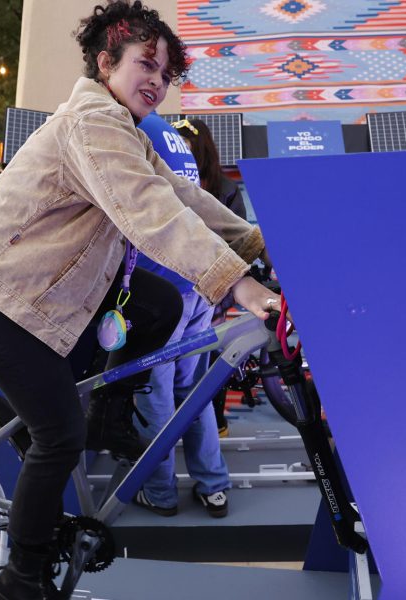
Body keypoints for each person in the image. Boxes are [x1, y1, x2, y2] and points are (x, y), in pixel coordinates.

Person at [0, 2, 278, 598]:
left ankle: (109, 412)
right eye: (146, 64)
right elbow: (150, 213)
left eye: (167, 74)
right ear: (105, 63)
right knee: (58, 437)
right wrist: (236, 281)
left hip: (54, 287)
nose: (158, 81)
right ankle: (19, 581)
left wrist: (255, 242)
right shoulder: (91, 123)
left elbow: (179, 194)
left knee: (159, 305)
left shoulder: (123, 128)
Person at [132, 113, 231, 518]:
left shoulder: (131, 127)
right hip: (195, 282)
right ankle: (213, 485)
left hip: (160, 289)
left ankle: (160, 492)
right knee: (192, 391)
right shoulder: (170, 134)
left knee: (154, 395)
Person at [172, 117, 249, 436]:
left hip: (213, 288)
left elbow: (238, 241)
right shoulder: (170, 184)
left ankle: (216, 423)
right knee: (176, 367)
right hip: (177, 286)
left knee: (208, 363)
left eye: (186, 147)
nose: (181, 154)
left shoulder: (225, 189)